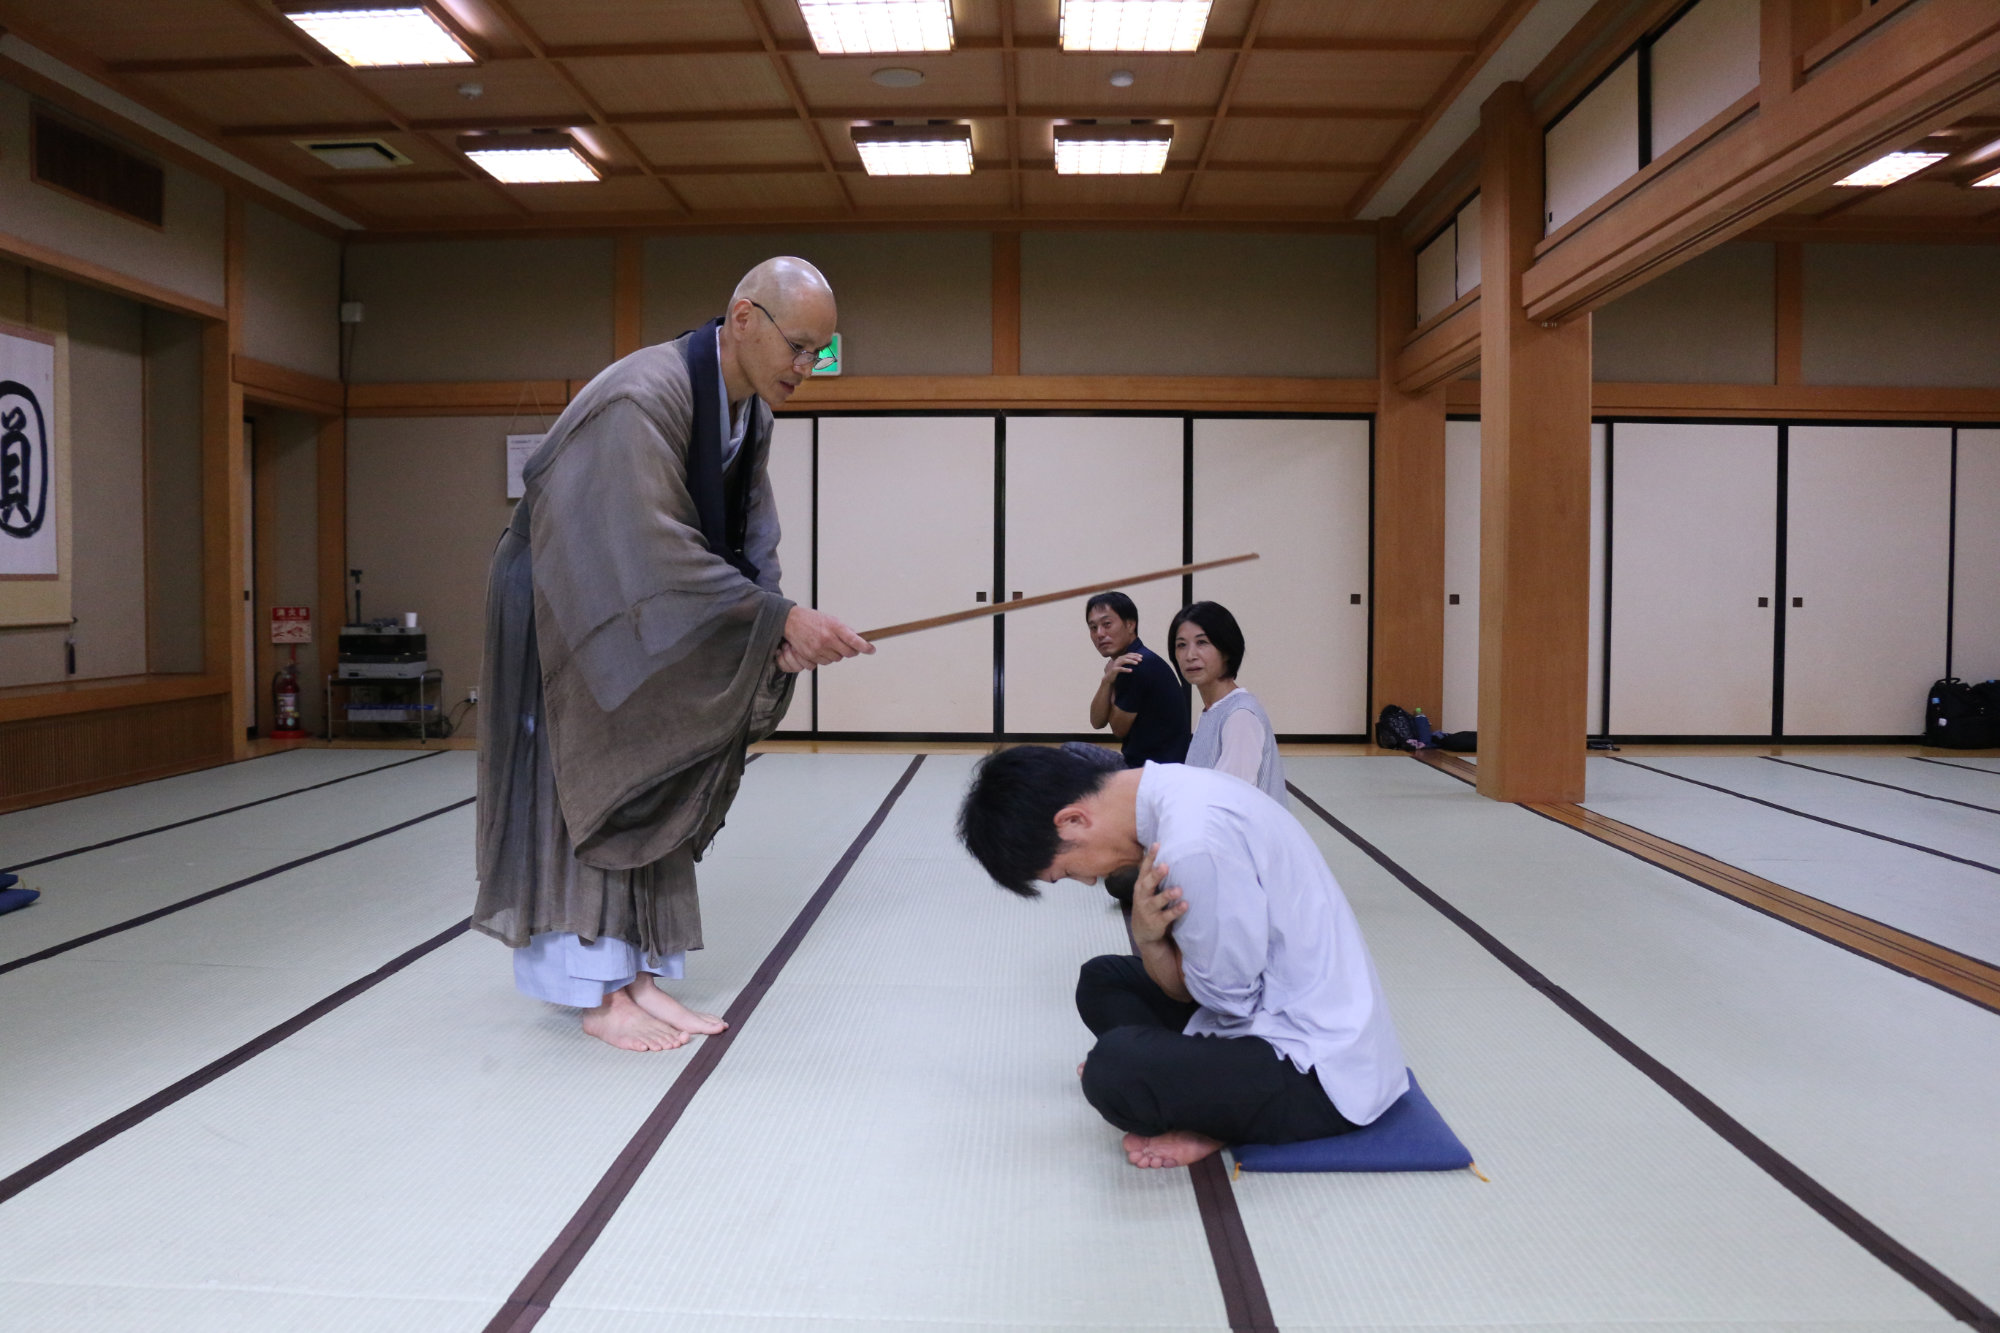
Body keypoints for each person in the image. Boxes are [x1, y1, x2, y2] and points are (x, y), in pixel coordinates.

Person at [474, 257, 874, 1053]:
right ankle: (595, 988)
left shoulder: (748, 412)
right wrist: (774, 618)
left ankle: (640, 969)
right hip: (567, 594)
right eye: (799, 346)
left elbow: (752, 538)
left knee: (659, 758)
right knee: (589, 770)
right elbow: (643, 536)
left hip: (647, 593)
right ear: (744, 317)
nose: (806, 367)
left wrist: (771, 632)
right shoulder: (642, 394)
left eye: (819, 354)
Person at [958, 746, 1408, 1169]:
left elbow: (1227, 1003)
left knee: (1114, 1070)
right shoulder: (1175, 789)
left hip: (1317, 1073)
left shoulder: (1192, 845)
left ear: (1073, 820)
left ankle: (1213, 1118)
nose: (1089, 882)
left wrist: (1151, 942)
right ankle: (1196, 1095)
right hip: (1270, 1010)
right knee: (1102, 978)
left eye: (1067, 872)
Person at [1169, 601, 1286, 802]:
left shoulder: (1240, 715)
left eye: (1202, 642)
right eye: (1181, 645)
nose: (1190, 655)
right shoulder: (1214, 710)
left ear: (1226, 650)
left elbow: (1229, 800)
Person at [1085, 591, 1189, 767]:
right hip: (1149, 765)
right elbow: (1097, 722)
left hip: (1152, 771)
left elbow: (1118, 730)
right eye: (1093, 627)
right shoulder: (1132, 660)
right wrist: (1106, 681)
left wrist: (1111, 681)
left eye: (1107, 624)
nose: (1100, 633)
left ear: (1130, 624)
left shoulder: (1136, 664)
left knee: (1071, 752)